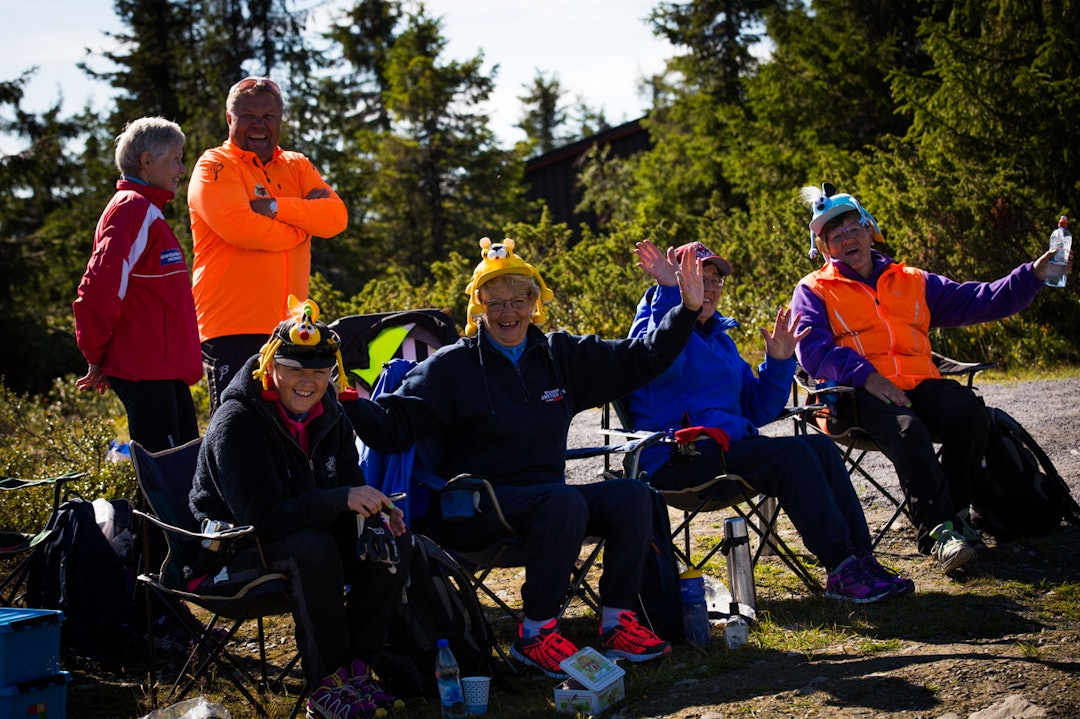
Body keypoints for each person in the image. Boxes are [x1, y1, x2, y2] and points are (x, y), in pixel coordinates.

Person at [343, 237, 704, 678]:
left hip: (547, 503)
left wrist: (684, 310)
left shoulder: (560, 357)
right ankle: (535, 636)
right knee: (562, 501)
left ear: (535, 302)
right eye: (495, 303)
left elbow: (640, 359)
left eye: (518, 301)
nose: (507, 313)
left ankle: (617, 622)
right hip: (475, 506)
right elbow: (391, 424)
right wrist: (342, 397)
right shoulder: (453, 366)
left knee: (632, 495)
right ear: (479, 306)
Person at [790, 182, 1071, 574]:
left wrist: (1033, 275)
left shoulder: (912, 280)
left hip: (919, 382)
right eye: (833, 236)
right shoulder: (814, 289)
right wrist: (866, 376)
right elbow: (811, 351)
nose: (846, 239)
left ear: (870, 231)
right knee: (908, 430)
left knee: (970, 414)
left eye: (853, 228)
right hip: (855, 395)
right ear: (824, 249)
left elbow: (979, 299)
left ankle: (954, 512)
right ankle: (938, 532)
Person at [625, 240, 913, 603]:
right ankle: (841, 568)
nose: (711, 288)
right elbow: (661, 364)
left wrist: (779, 363)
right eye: (701, 277)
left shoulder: (719, 340)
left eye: (716, 280)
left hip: (727, 451)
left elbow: (756, 410)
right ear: (679, 279)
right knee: (791, 455)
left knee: (819, 446)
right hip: (678, 458)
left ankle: (860, 560)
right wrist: (672, 297)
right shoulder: (654, 321)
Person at [188, 296, 410, 718]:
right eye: (294, 369)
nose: (307, 381)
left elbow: (349, 482)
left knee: (392, 542)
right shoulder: (238, 421)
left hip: (306, 536)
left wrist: (375, 509)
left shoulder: (330, 410)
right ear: (270, 366)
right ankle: (325, 687)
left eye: (319, 372)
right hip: (226, 553)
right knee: (314, 549)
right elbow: (262, 519)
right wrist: (339, 500)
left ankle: (355, 674)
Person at [187, 76, 348, 413]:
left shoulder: (297, 165)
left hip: (293, 330)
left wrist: (276, 208)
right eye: (247, 116)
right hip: (233, 328)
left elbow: (335, 218)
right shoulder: (215, 165)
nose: (258, 125)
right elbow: (240, 228)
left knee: (294, 434)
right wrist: (301, 228)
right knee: (239, 434)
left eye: (268, 116)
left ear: (280, 120)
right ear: (230, 119)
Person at [73, 116, 202, 452]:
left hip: (163, 371)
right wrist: (96, 355)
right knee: (166, 479)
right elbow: (97, 289)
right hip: (145, 371)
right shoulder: (132, 208)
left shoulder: (148, 210)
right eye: (175, 158)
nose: (182, 169)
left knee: (185, 473)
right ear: (147, 161)